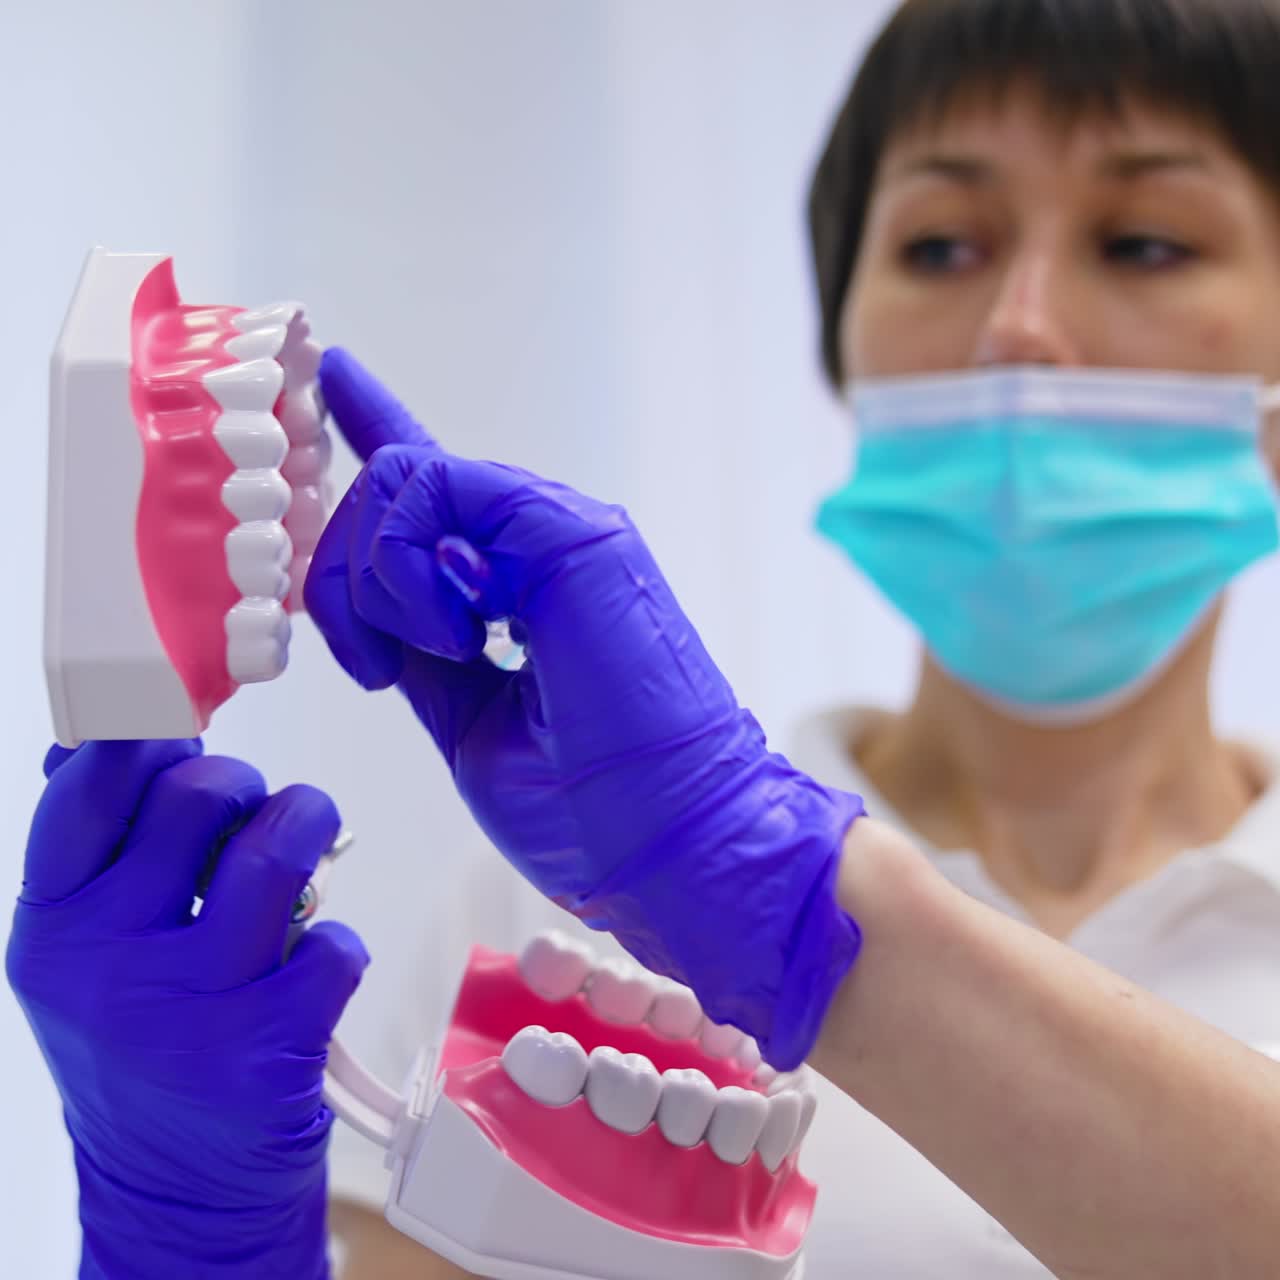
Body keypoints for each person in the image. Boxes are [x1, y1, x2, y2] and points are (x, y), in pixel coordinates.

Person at [8, 2, 1280, 1279]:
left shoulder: (650, 883)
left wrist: (787, 898)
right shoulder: (547, 917)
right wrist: (193, 1247)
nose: (1017, 325)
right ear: (844, 344)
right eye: (941, 245)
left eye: (1144, 242)